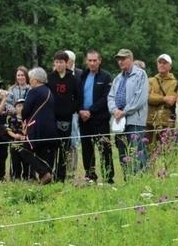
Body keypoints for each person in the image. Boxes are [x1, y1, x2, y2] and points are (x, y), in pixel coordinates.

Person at [108, 48, 149, 177]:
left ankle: (140, 180)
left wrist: (124, 111)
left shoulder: (140, 75)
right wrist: (114, 110)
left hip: (134, 120)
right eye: (118, 59)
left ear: (130, 59)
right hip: (119, 121)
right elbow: (110, 97)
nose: (120, 62)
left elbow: (140, 98)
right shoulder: (117, 78)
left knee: (137, 151)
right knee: (122, 152)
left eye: (123, 59)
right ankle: (128, 178)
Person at [79, 49, 114, 183]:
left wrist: (91, 111)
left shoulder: (106, 77)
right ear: (86, 61)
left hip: (100, 119)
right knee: (87, 149)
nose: (92, 63)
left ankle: (108, 177)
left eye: (95, 60)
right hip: (84, 119)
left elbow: (106, 98)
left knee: (104, 149)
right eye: (90, 60)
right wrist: (80, 110)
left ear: (99, 61)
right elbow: (77, 96)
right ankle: (90, 176)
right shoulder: (82, 76)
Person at [48, 50, 81, 182]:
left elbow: (78, 98)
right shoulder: (50, 78)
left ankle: (61, 176)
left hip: (66, 118)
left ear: (66, 63)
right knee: (52, 146)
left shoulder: (72, 78)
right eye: (56, 62)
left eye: (61, 62)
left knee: (64, 147)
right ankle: (49, 173)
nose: (59, 65)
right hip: (52, 117)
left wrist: (70, 110)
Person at [22, 67, 56, 184]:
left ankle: (44, 173)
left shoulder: (34, 91)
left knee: (24, 150)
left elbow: (26, 110)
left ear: (35, 80)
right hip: (50, 127)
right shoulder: (48, 91)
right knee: (43, 153)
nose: (29, 81)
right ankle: (46, 177)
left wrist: (22, 117)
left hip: (36, 127)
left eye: (30, 79)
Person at [147, 53, 178, 146]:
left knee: (164, 151)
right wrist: (164, 98)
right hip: (149, 121)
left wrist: (154, 96)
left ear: (170, 66)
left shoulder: (174, 82)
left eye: (165, 63)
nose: (161, 64)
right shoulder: (150, 80)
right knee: (149, 151)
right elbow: (147, 98)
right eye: (160, 62)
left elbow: (170, 102)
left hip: (165, 122)